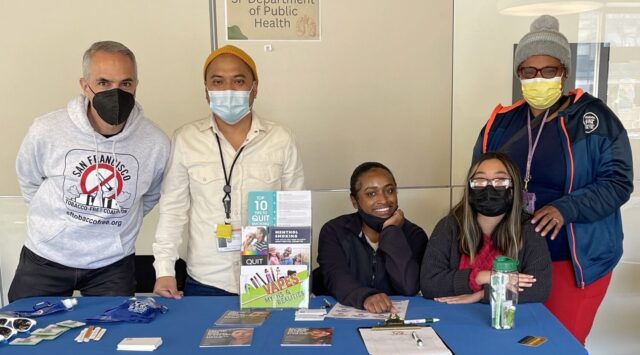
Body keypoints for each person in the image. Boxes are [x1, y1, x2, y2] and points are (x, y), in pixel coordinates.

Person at [473, 15, 633, 344]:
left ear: (564, 72)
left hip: (572, 260)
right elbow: (478, 181)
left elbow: (618, 181)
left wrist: (566, 208)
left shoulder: (594, 119)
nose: (538, 79)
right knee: (508, 341)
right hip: (511, 256)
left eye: (549, 70)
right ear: (519, 74)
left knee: (560, 344)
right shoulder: (502, 123)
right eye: (528, 71)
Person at [9, 41, 170, 302]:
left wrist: (113, 226)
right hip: (45, 257)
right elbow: (29, 180)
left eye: (126, 84)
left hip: (112, 265)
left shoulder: (155, 143)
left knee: (111, 336)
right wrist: (55, 226)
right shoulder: (47, 130)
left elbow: (149, 196)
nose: (116, 92)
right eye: (104, 83)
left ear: (136, 85)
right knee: (24, 335)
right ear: (86, 86)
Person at [153, 45, 304, 298]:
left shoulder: (280, 138)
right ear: (206, 90)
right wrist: (164, 269)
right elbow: (173, 209)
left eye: (238, 80)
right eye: (218, 81)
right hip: (207, 279)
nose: (228, 89)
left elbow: (293, 210)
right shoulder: (186, 139)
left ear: (254, 88)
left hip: (270, 277)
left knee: (270, 339)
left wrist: (297, 273)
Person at [421, 152, 551, 304]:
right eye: (480, 180)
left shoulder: (528, 229)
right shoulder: (449, 226)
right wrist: (482, 276)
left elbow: (539, 288)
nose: (489, 188)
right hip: (454, 314)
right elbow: (429, 283)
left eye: (500, 180)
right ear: (469, 188)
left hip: (508, 320)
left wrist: (483, 294)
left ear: (514, 188)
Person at [316, 162, 428, 313]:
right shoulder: (334, 231)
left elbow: (408, 287)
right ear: (355, 201)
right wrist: (366, 297)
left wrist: (391, 231)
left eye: (389, 190)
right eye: (371, 193)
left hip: (394, 321)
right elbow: (336, 278)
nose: (383, 200)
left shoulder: (414, 235)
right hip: (343, 318)